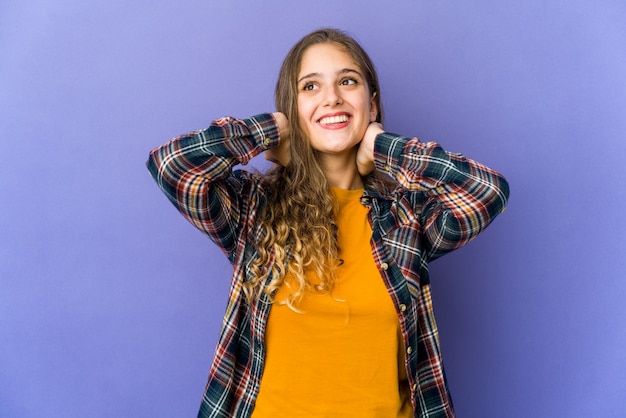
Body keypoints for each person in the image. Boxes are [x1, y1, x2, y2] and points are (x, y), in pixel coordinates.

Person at [147, 28, 509, 418]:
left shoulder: (407, 216)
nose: (331, 97)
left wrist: (381, 148)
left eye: (347, 81)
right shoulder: (252, 207)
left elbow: (486, 191)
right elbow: (172, 165)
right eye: (310, 87)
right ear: (292, 108)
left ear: (372, 105)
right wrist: (271, 130)